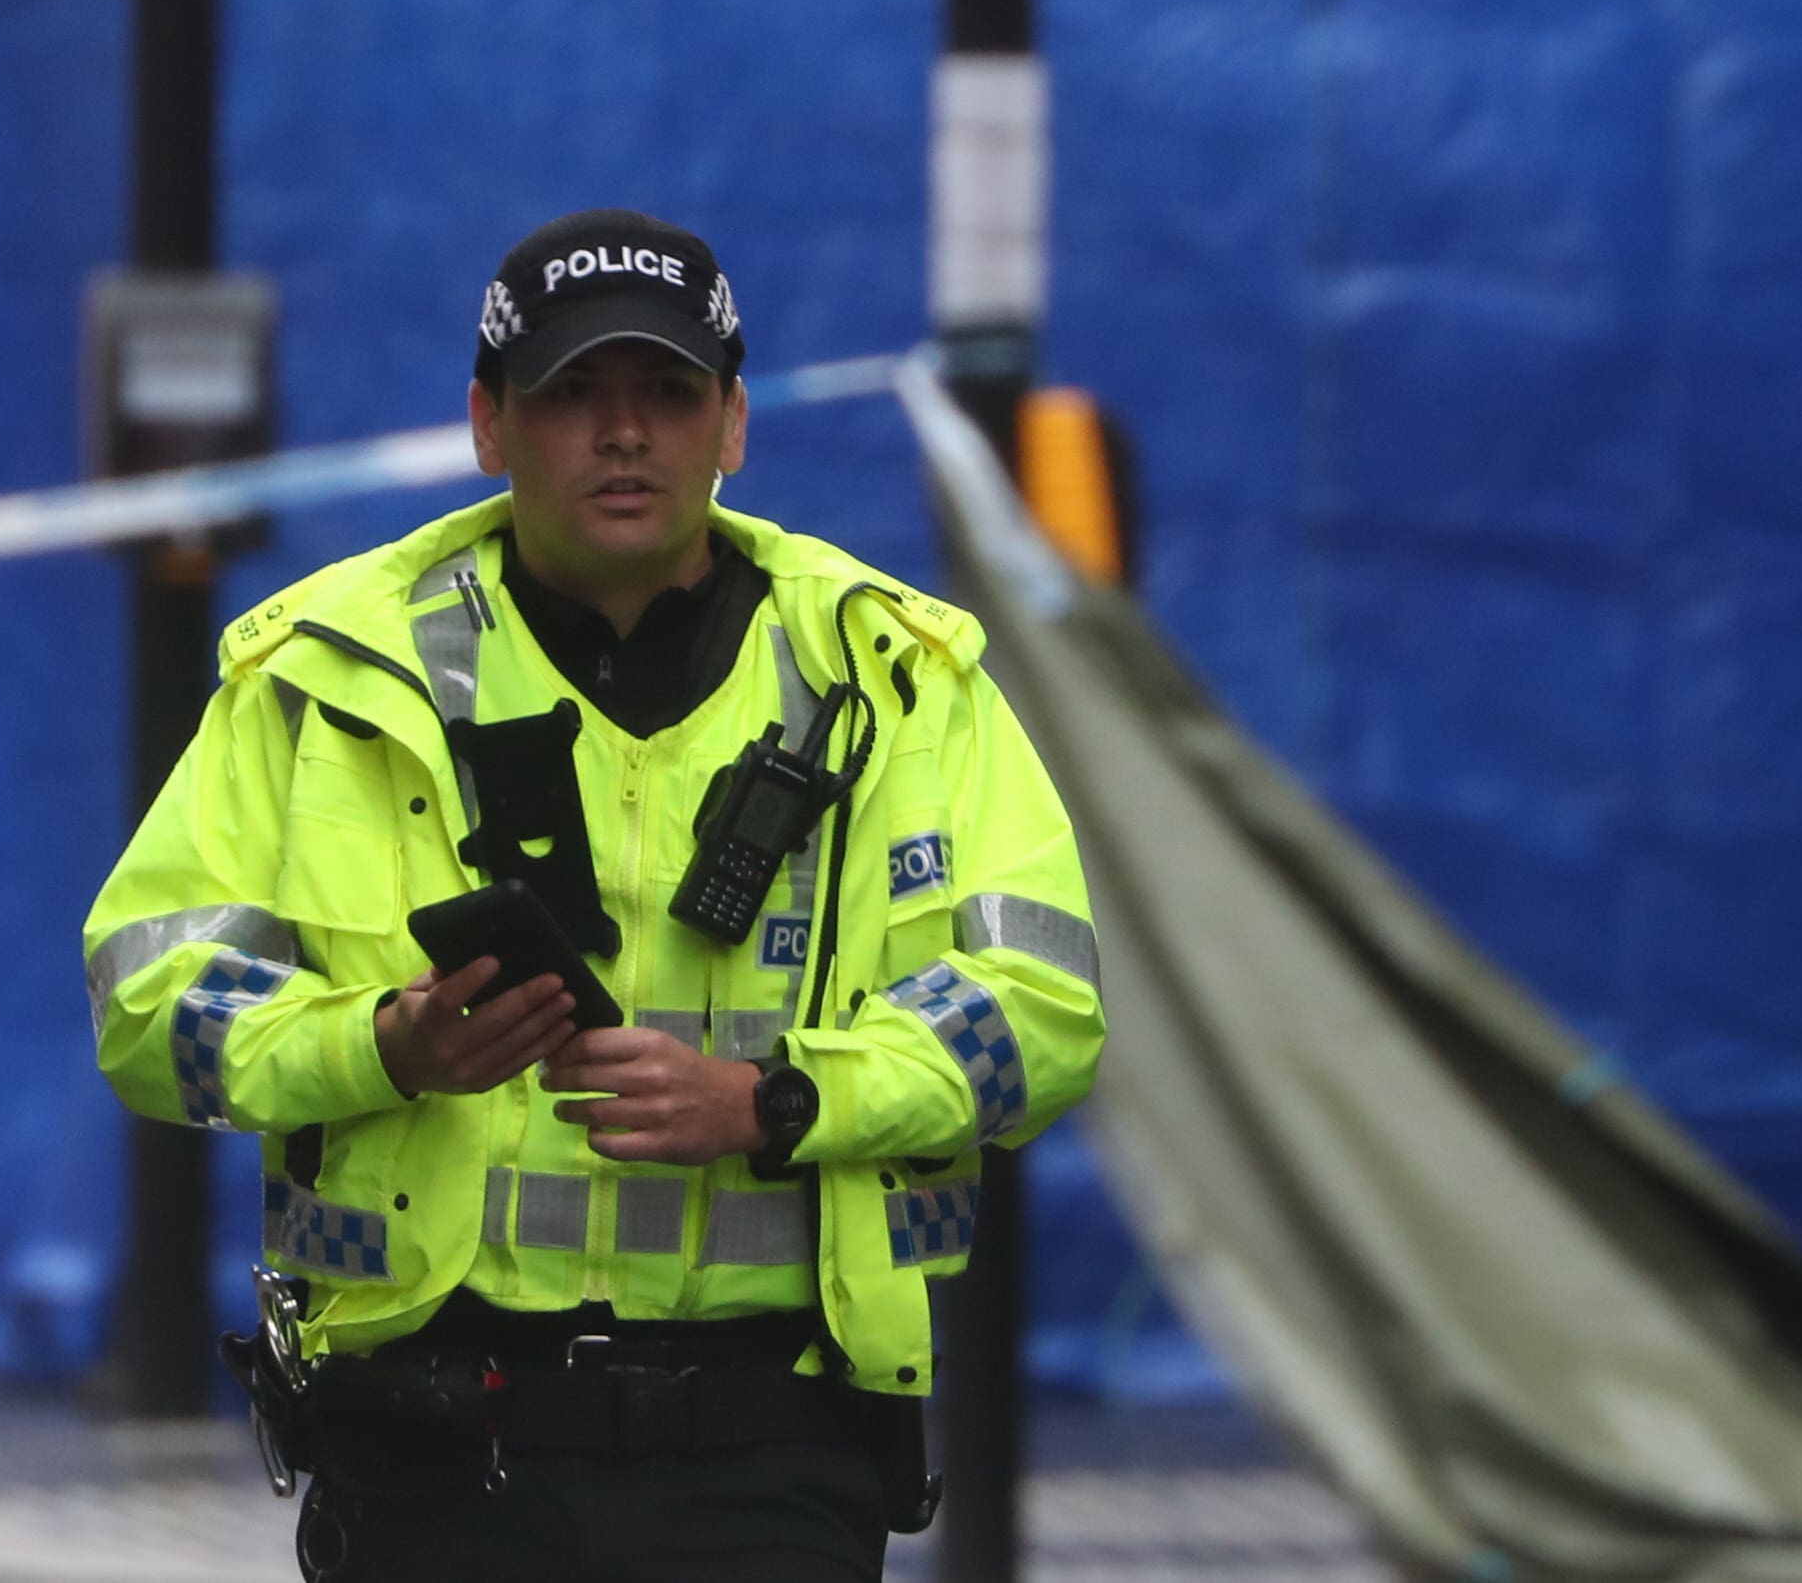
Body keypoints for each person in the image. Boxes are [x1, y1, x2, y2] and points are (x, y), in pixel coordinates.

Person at [85, 207, 1107, 1582]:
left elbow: (1041, 1010)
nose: (623, 433)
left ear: (735, 422)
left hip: (775, 1450)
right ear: (487, 424)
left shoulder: (896, 676)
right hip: (435, 1454)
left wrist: (777, 1101)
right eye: (572, 393)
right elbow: (147, 998)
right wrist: (379, 1044)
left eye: (669, 392)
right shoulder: (325, 676)